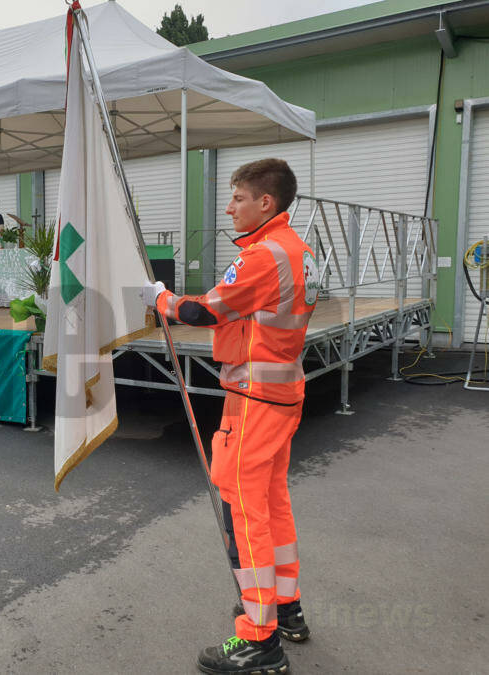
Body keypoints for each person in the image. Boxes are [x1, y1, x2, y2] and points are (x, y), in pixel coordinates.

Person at [141, 158, 318, 675]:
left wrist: (162, 298)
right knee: (271, 503)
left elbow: (207, 310)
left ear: (266, 202)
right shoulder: (293, 249)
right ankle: (286, 608)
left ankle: (259, 638)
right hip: (282, 392)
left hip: (255, 397)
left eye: (238, 197)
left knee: (242, 509)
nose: (229, 206)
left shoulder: (264, 255)